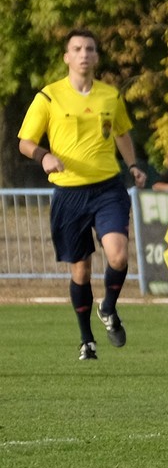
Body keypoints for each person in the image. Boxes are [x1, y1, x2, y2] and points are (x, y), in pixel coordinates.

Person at [16, 28, 148, 359]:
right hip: (69, 192)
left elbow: (121, 133)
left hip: (107, 188)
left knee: (118, 256)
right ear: (67, 57)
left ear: (97, 56)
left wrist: (132, 165)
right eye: (77, 49)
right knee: (81, 270)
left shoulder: (110, 95)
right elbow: (25, 142)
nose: (84, 54)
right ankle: (87, 339)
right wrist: (43, 156)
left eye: (89, 48)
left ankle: (109, 307)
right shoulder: (49, 96)